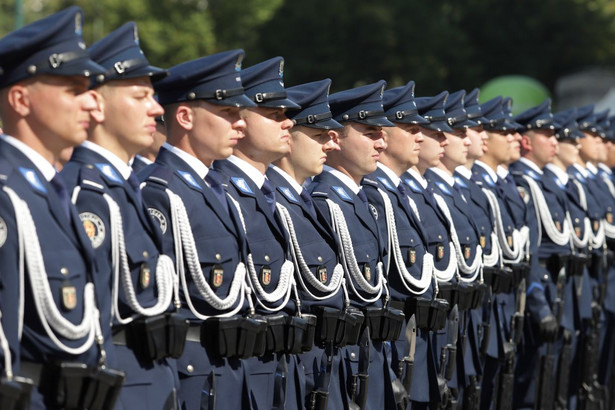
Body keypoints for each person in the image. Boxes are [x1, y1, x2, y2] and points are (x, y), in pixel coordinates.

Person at [0, 6, 124, 409]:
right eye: (73, 89)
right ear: (20, 99)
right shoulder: (8, 195)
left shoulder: (52, 189)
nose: (93, 104)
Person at [60, 22, 179, 409]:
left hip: (151, 379)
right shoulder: (87, 193)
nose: (157, 109)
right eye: (141, 96)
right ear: (97, 103)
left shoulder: (126, 186)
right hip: (120, 388)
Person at [140, 49, 257, 410]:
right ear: (186, 116)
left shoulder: (217, 187)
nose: (241, 124)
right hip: (193, 375)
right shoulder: (161, 191)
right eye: (227, 113)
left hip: (231, 369)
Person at [212, 57, 306, 410]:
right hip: (236, 374)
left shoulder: (267, 194)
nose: (288, 123)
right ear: (240, 120)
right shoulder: (223, 193)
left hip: (277, 370)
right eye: (274, 115)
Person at [309, 80, 398, 409]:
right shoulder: (324, 201)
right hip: (342, 364)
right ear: (335, 138)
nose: (381, 143)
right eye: (370, 132)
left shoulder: (367, 201)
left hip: (370, 357)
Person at [265, 78, 348, 410]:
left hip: (319, 367)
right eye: (318, 137)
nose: (329, 145)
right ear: (288, 140)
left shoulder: (304, 202)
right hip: (292, 368)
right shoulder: (274, 203)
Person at [361, 80, 436, 410]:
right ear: (385, 136)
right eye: (409, 127)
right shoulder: (375, 196)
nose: (421, 136)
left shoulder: (398, 193)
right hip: (394, 347)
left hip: (416, 345)